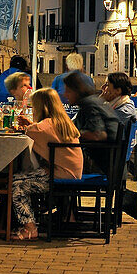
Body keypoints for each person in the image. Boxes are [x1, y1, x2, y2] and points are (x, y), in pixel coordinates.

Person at [11, 88, 83, 241]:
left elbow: (30, 132)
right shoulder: (61, 121)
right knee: (25, 176)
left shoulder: (43, 126)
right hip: (71, 172)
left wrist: (28, 125)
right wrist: (31, 124)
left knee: (15, 183)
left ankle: (30, 228)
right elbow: (42, 131)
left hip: (60, 175)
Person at [62, 70, 120, 175]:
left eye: (68, 91)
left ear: (77, 91)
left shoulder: (89, 104)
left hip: (100, 166)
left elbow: (98, 135)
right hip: (110, 162)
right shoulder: (93, 101)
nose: (65, 95)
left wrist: (74, 134)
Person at [100, 71, 137, 152]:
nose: (103, 88)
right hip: (106, 147)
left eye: (107, 85)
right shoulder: (114, 104)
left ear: (118, 90)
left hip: (110, 152)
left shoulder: (125, 109)